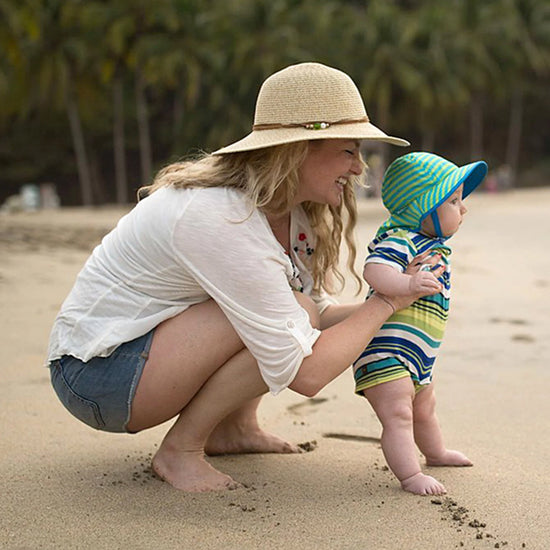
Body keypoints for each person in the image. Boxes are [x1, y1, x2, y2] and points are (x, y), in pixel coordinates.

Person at [46, 62, 441, 493]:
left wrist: (405, 296)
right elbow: (306, 373)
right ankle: (181, 450)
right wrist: (384, 304)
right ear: (298, 150)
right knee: (289, 315)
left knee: (295, 308)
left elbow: (320, 311)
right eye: (348, 150)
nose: (358, 167)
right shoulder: (222, 217)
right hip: (95, 375)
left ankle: (232, 430)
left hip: (144, 359)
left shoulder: (292, 214)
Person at [353, 152, 488, 495]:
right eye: (454, 201)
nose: (464, 209)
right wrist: (408, 285)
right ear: (423, 208)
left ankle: (435, 452)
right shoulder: (401, 238)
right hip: (385, 352)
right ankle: (410, 475)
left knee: (424, 407)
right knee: (399, 413)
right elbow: (375, 270)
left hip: (417, 356)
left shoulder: (433, 246)